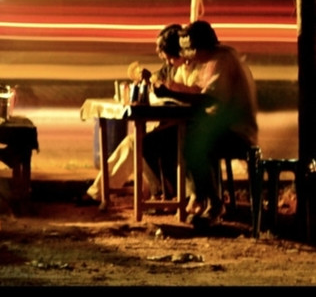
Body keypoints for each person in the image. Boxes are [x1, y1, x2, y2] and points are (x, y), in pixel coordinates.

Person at [148, 20, 259, 226]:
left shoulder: (222, 60)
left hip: (237, 131)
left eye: (188, 49)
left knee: (191, 144)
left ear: (199, 47)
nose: (186, 55)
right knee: (169, 139)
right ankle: (195, 197)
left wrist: (171, 94)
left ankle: (213, 204)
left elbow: (208, 99)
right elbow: (199, 91)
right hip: (216, 126)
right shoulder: (210, 61)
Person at [80, 23, 190, 205]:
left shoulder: (188, 68)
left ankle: (160, 192)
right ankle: (101, 192)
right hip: (171, 124)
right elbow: (158, 79)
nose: (165, 59)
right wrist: (147, 78)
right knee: (134, 142)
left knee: (136, 143)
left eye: (167, 55)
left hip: (185, 127)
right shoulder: (171, 67)